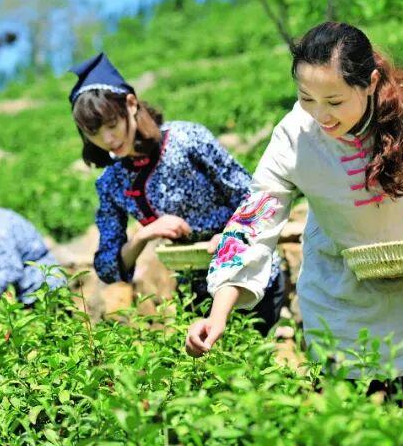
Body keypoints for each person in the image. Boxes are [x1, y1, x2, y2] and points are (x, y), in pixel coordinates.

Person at [186, 22, 403, 397]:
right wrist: (218, 312)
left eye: (335, 101)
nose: (320, 115)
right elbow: (255, 220)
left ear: (370, 82)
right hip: (341, 298)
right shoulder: (294, 137)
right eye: (306, 98)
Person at [69, 53, 286, 334]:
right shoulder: (111, 182)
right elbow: (109, 268)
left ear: (131, 104)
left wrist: (229, 236)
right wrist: (144, 235)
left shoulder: (186, 140)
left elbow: (255, 200)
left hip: (250, 278)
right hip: (196, 293)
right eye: (94, 133)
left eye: (112, 126)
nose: (107, 140)